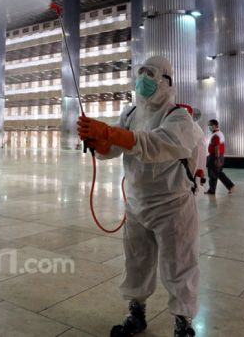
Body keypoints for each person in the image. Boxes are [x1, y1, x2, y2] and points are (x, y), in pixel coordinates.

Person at [78, 56, 199, 337]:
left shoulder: (178, 117)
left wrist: (111, 133)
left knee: (179, 263)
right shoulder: (131, 114)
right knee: (136, 260)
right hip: (136, 202)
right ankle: (136, 313)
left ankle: (183, 321)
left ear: (166, 81)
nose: (143, 77)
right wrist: (100, 142)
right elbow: (114, 149)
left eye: (151, 73)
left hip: (172, 205)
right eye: (140, 72)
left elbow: (156, 145)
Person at [205, 119, 235, 195]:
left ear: (216, 125)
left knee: (216, 173)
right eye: (209, 125)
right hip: (216, 156)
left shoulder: (216, 135)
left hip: (215, 156)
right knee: (214, 173)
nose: (209, 126)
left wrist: (217, 158)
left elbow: (217, 147)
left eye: (211, 125)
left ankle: (230, 186)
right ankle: (212, 190)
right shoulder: (218, 133)